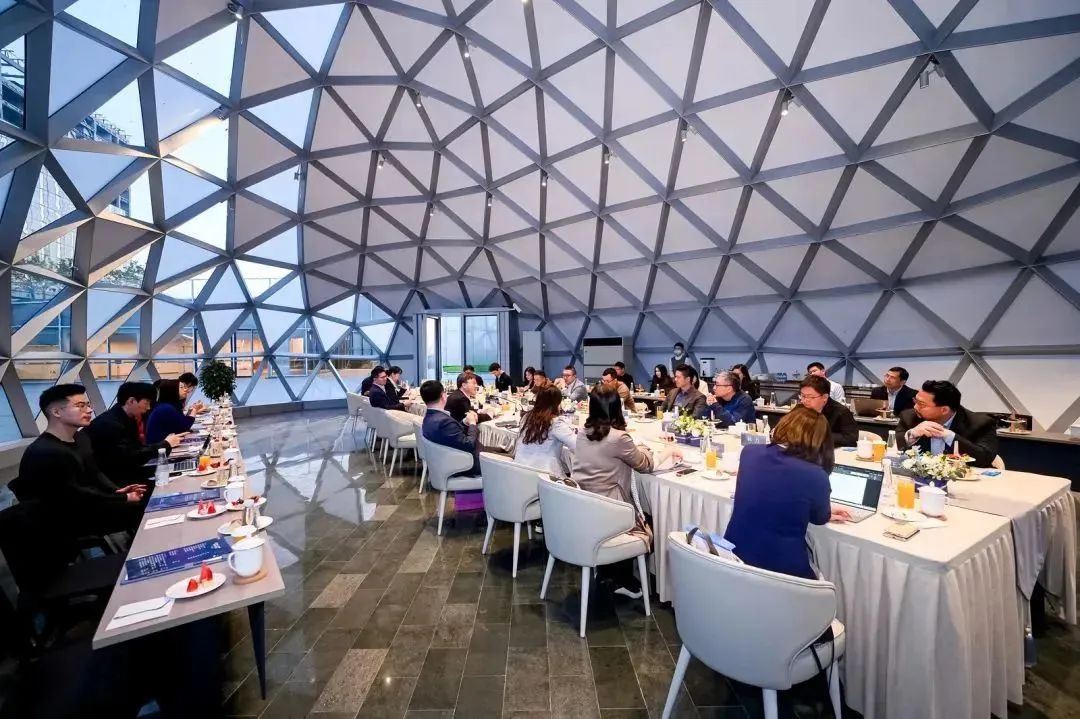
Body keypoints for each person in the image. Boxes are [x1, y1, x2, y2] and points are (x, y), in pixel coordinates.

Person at [573, 385, 681, 598]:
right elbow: (646, 465)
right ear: (617, 407)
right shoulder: (619, 438)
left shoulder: (583, 433)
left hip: (584, 502)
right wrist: (669, 450)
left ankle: (611, 573)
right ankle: (623, 578)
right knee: (651, 521)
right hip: (610, 509)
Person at [724, 406, 849, 580]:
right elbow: (819, 518)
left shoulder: (750, 452)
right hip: (784, 572)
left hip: (734, 555)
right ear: (819, 439)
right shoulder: (815, 474)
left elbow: (772, 492)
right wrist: (824, 509)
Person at [13, 385, 146, 538]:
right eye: (80, 406)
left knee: (144, 501)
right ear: (56, 412)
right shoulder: (47, 452)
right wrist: (123, 498)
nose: (89, 410)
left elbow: (95, 473)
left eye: (88, 405)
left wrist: (117, 491)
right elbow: (75, 496)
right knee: (143, 508)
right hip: (63, 520)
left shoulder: (81, 438)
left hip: (87, 504)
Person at [85, 382, 183, 489]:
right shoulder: (110, 424)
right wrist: (165, 444)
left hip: (127, 474)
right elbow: (132, 457)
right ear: (131, 401)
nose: (148, 407)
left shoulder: (126, 418)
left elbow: (136, 450)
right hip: (116, 483)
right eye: (146, 403)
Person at [896, 380, 998, 467]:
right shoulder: (909, 417)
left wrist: (950, 437)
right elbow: (893, 447)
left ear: (944, 410)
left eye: (921, 404)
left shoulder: (981, 423)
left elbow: (985, 458)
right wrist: (912, 434)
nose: (915, 407)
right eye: (916, 401)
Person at [420, 379, 481, 476]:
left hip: (445, 460)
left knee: (497, 451)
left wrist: (464, 422)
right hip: (463, 464)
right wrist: (473, 424)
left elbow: (452, 435)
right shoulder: (444, 422)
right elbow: (469, 445)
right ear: (443, 396)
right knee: (501, 456)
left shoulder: (429, 417)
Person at [514, 385, 577, 477]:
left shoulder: (526, 417)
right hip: (545, 476)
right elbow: (577, 446)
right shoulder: (555, 423)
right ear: (557, 404)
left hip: (519, 471)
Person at [798, 375, 858, 447]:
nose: (805, 401)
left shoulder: (841, 412)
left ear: (825, 397)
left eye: (810, 397)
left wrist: (819, 436)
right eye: (803, 396)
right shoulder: (801, 408)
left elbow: (850, 438)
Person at [146, 379, 197, 444]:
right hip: (160, 447)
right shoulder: (166, 408)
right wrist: (194, 410)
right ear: (171, 390)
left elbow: (181, 422)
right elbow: (184, 427)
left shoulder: (170, 405)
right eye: (181, 387)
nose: (186, 390)